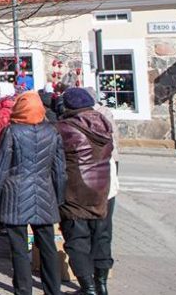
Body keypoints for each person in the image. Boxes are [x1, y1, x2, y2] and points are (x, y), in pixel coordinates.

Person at [0, 90, 66, 295]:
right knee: (48, 246)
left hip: (16, 196)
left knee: (19, 249)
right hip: (44, 193)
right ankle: (53, 290)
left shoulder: (12, 132)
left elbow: (0, 167)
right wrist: (58, 198)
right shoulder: (52, 132)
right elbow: (59, 170)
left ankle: (23, 291)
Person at [57, 87, 114, 295]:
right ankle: (102, 284)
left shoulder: (64, 127)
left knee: (77, 239)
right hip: (102, 187)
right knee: (101, 236)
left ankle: (87, 287)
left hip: (76, 189)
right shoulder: (104, 124)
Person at [83, 86, 119, 295]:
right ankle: (101, 283)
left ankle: (90, 285)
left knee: (85, 232)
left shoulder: (78, 123)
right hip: (107, 183)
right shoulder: (105, 117)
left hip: (86, 187)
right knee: (103, 232)